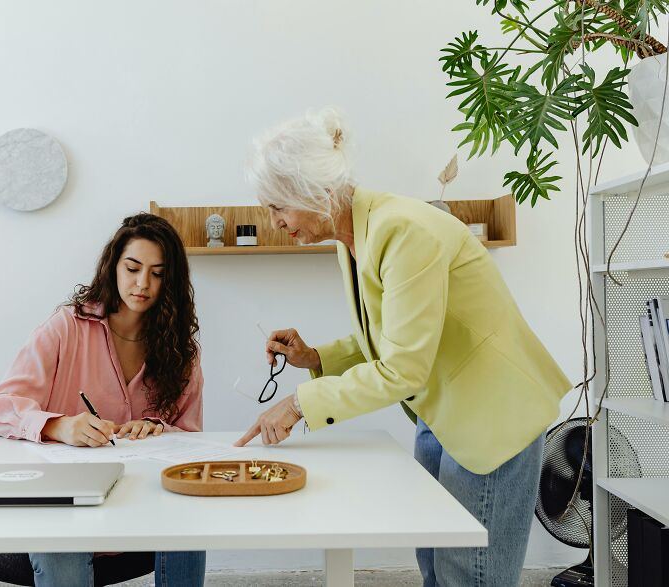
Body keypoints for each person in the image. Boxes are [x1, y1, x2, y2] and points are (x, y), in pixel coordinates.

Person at [235, 108, 572, 587]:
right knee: (436, 568)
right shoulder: (353, 234)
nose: (274, 222)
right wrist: (315, 360)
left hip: (491, 417)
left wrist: (297, 405)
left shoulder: (402, 230)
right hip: (442, 415)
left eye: (278, 207)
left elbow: (402, 368)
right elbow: (401, 333)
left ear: (316, 193)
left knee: (470, 576)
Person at [0, 213, 206, 587]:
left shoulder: (181, 352)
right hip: (63, 501)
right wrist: (59, 425)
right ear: (113, 266)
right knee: (62, 544)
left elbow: (190, 437)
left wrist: (160, 429)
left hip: (140, 500)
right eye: (132, 268)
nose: (142, 283)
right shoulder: (67, 328)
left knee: (187, 524)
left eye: (158, 273)